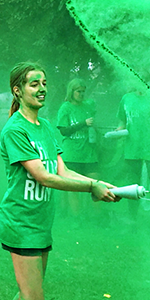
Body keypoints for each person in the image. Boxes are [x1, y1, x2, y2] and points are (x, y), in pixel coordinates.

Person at [0, 62, 118, 300]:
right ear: (17, 91)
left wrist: (99, 183)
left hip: (41, 222)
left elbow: (62, 170)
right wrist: (90, 186)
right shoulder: (15, 129)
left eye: (44, 83)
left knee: (26, 296)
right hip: (20, 222)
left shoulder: (48, 127)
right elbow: (43, 176)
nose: (42, 89)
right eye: (34, 84)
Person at [115, 88, 150, 218]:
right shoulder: (126, 98)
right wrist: (120, 129)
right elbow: (123, 120)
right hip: (133, 147)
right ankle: (132, 218)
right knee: (132, 185)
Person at [56, 79, 98, 215]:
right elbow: (64, 131)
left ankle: (96, 217)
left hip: (89, 153)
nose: (81, 94)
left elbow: (94, 114)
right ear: (71, 91)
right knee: (73, 188)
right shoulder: (65, 108)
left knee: (96, 184)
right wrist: (83, 123)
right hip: (72, 153)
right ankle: (76, 218)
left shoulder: (88, 106)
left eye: (83, 91)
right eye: (78, 91)